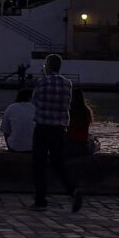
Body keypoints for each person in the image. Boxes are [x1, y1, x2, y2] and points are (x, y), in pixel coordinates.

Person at [29, 55, 82, 211]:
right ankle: (73, 190)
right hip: (59, 129)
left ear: (48, 66)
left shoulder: (41, 82)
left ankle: (40, 201)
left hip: (42, 128)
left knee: (39, 165)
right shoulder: (67, 83)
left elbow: (34, 102)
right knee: (59, 164)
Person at [1, 88, 38, 153]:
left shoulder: (10, 108)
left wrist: (9, 147)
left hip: (15, 147)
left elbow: (5, 130)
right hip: (34, 147)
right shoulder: (37, 108)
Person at [66, 88, 96, 159]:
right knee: (93, 140)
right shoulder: (87, 111)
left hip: (70, 147)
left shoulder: (68, 111)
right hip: (84, 147)